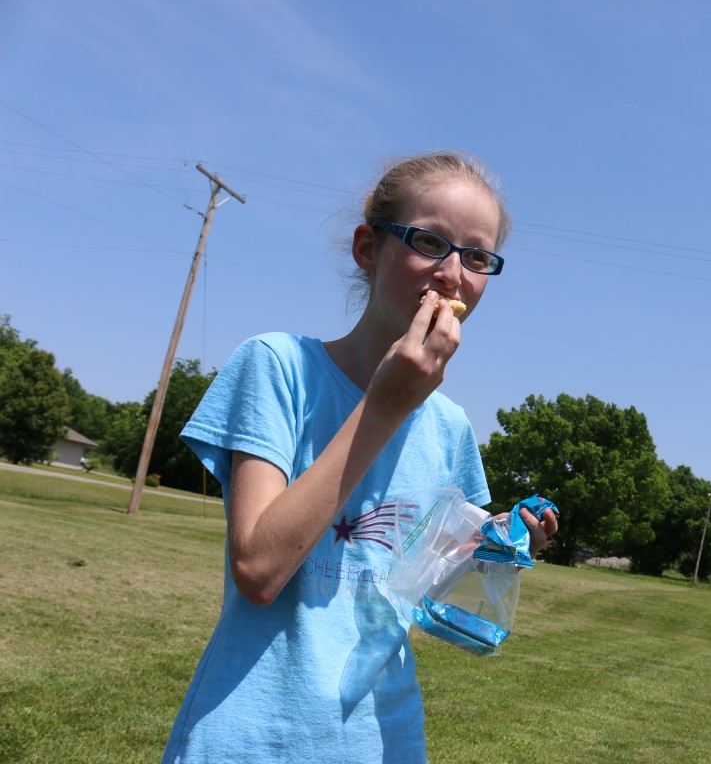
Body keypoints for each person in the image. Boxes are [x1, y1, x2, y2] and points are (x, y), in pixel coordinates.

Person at [161, 152, 559, 763]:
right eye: (430, 242)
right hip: (250, 739)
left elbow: (419, 579)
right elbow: (259, 571)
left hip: (383, 741)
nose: (452, 274)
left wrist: (502, 541)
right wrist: (386, 404)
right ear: (368, 249)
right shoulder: (278, 367)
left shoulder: (450, 426)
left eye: (477, 257)